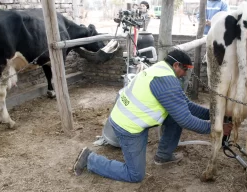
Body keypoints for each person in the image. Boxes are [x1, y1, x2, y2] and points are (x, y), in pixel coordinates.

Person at [73, 49, 233, 183]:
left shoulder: (161, 70)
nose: (185, 74)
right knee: (135, 175)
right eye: (185, 70)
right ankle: (90, 159)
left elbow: (186, 106)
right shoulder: (166, 82)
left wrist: (213, 114)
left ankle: (163, 156)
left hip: (131, 119)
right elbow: (186, 119)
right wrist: (216, 128)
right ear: (176, 65)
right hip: (127, 127)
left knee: (175, 115)